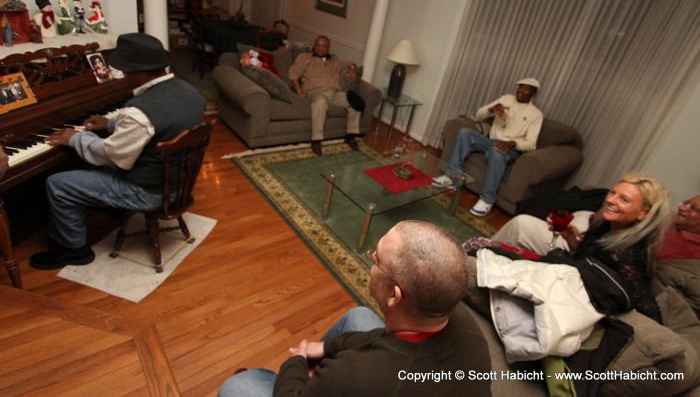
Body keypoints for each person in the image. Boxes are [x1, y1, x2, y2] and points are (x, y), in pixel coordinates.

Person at [218, 221, 492, 397]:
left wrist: (298, 361)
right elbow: (382, 341)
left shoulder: (360, 377)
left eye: (376, 258)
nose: (371, 260)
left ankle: (272, 379)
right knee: (358, 316)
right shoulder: (452, 313)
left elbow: (362, 373)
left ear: (394, 296)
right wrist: (325, 350)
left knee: (238, 387)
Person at [29, 33, 207, 270]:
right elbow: (159, 124)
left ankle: (74, 250)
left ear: (142, 74)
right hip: (178, 181)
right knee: (91, 160)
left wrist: (77, 138)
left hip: (150, 191)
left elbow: (111, 154)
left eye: (126, 70)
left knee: (58, 183)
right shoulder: (189, 91)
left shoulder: (138, 113)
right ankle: (108, 205)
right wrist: (111, 124)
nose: (123, 75)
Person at [489, 172, 673, 323]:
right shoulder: (606, 224)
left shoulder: (627, 255)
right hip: (566, 272)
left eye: (624, 200)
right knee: (513, 231)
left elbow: (651, 315)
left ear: (643, 214)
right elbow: (586, 259)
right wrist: (570, 237)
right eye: (613, 193)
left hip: (569, 299)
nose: (612, 200)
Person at [436, 78, 543, 217]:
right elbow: (479, 115)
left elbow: (531, 144)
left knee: (497, 150)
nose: (521, 90)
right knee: (465, 133)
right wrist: (491, 109)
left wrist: (512, 143)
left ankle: (487, 199)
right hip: (490, 141)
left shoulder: (536, 114)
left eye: (526, 88)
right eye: (520, 87)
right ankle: (453, 177)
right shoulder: (506, 99)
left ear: (533, 94)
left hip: (510, 149)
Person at [288, 35, 361, 156]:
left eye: (324, 46)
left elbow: (350, 63)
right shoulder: (305, 57)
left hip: (335, 93)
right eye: (318, 45)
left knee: (355, 102)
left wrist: (352, 69)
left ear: (328, 48)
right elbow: (293, 72)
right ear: (314, 45)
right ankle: (316, 140)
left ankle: (351, 136)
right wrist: (299, 92)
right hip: (315, 92)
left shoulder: (335, 60)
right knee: (321, 101)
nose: (321, 48)